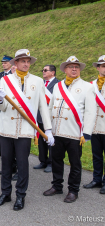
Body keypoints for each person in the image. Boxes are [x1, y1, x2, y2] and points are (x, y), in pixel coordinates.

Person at [0, 49, 54, 211]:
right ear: (16, 63)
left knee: (22, 163)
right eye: (23, 61)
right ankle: (5, 193)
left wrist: (48, 129)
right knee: (6, 162)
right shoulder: (6, 80)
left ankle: (21, 195)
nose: (26, 64)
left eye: (28, 61)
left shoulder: (38, 81)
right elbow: (3, 107)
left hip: (26, 129)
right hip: (6, 128)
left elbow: (43, 106)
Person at [43, 56, 96, 203]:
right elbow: (49, 107)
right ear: (65, 69)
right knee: (56, 160)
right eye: (71, 66)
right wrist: (48, 128)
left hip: (74, 133)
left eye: (76, 67)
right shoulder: (58, 86)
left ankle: (73, 190)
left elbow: (91, 111)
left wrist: (86, 133)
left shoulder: (87, 87)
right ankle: (57, 186)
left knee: (75, 163)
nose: (74, 69)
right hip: (57, 131)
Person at [83, 55, 105, 194]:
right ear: (97, 67)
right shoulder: (91, 85)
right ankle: (97, 179)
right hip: (95, 127)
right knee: (96, 155)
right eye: (102, 66)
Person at [33, 65, 60, 173]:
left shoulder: (58, 84)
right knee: (41, 140)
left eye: (45, 70)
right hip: (40, 117)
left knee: (51, 141)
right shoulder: (41, 84)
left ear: (53, 72)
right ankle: (43, 160)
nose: (43, 72)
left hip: (51, 117)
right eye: (42, 70)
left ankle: (51, 162)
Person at [0, 55, 13, 157]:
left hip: (9, 105)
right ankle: (0, 149)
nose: (3, 64)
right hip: (0, 104)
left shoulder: (13, 74)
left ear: (11, 63)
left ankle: (8, 150)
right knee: (0, 127)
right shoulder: (0, 75)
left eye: (5, 63)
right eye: (3, 63)